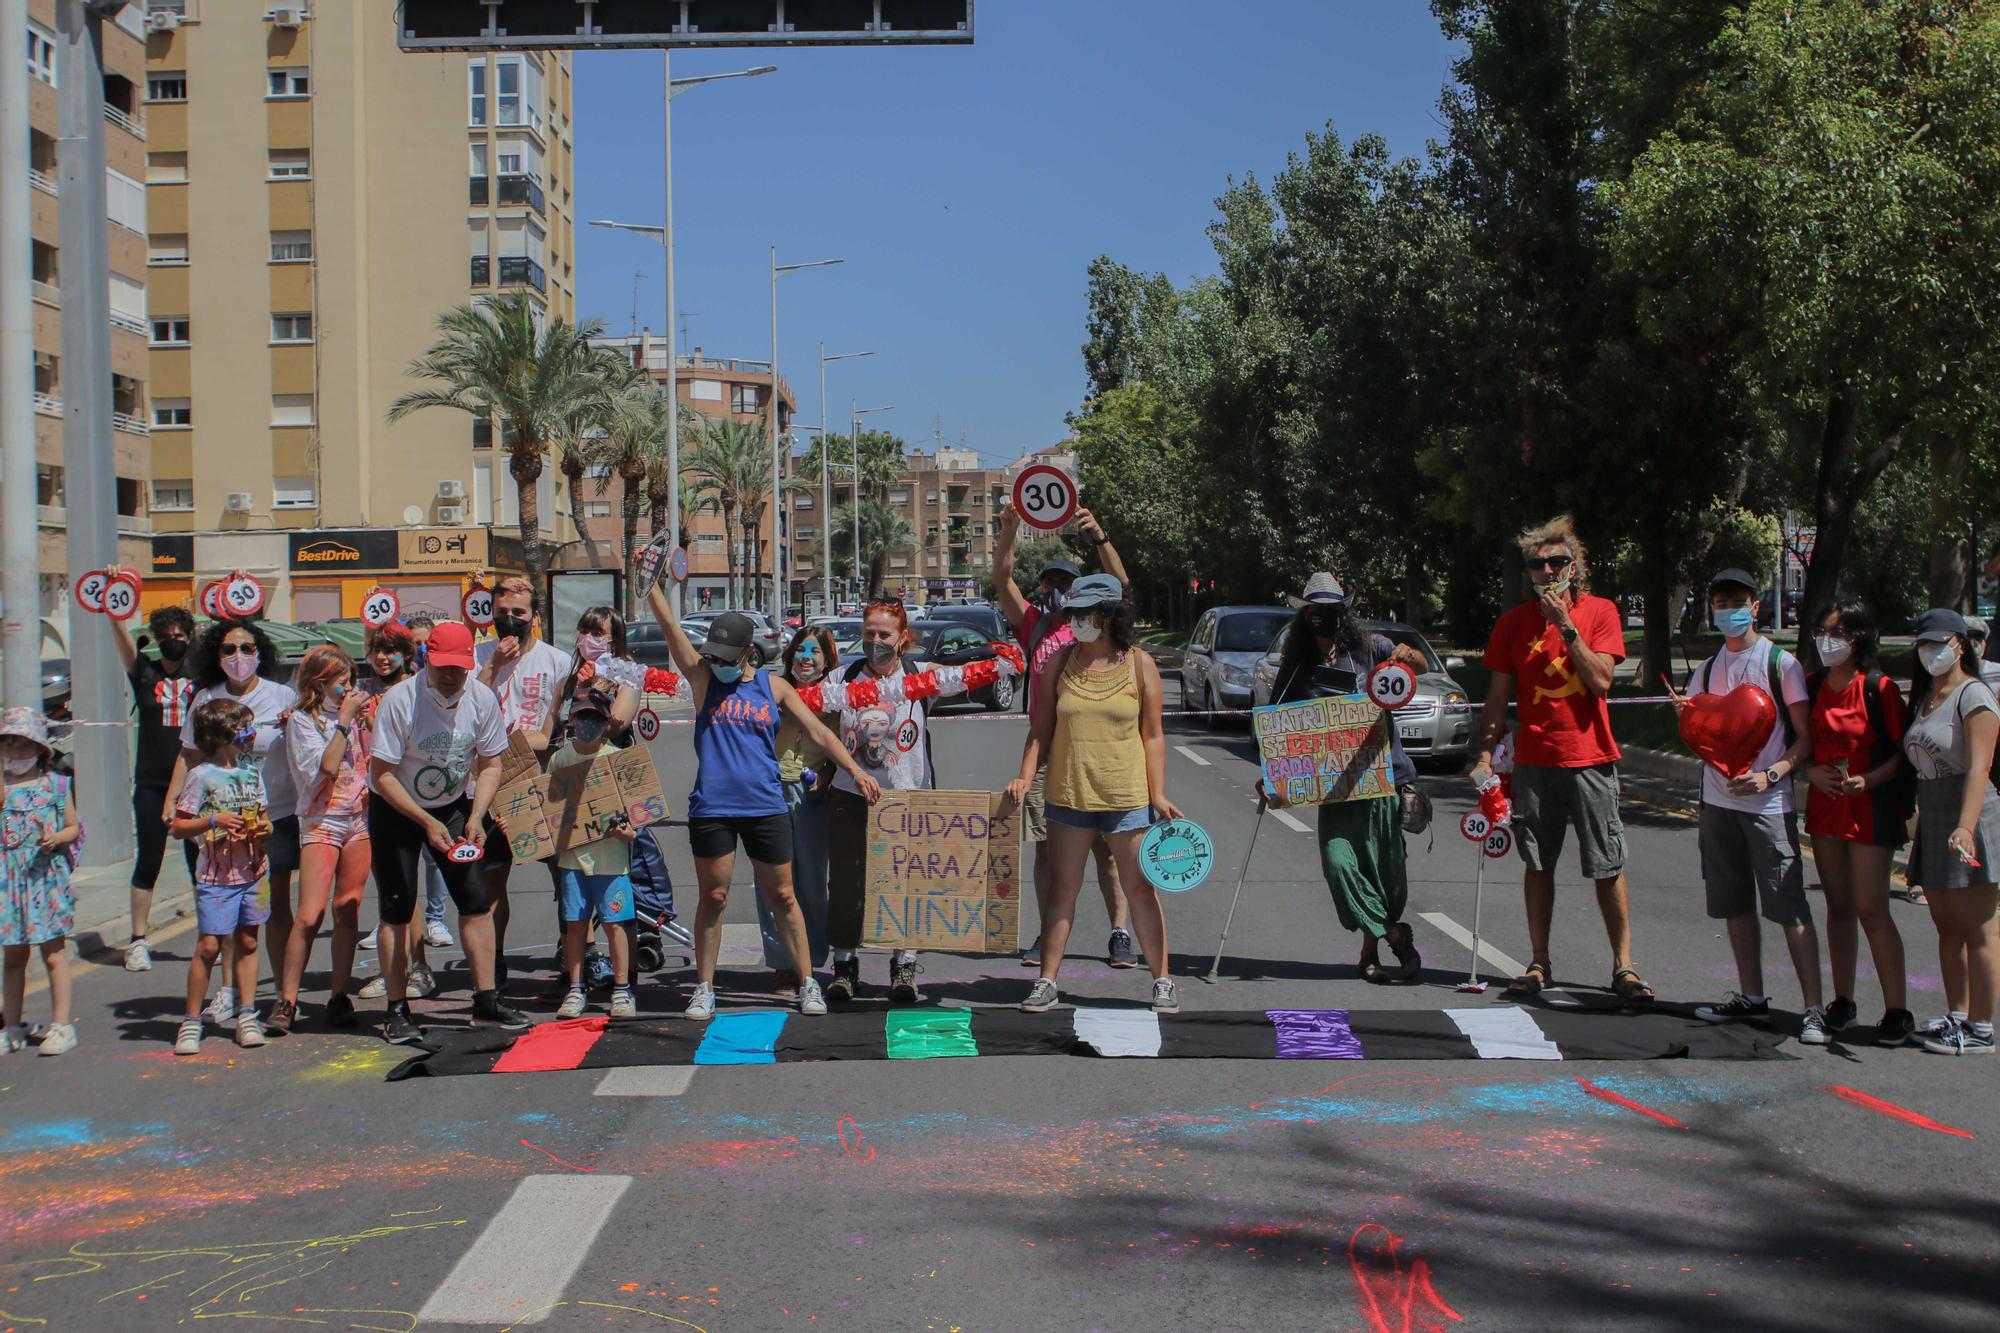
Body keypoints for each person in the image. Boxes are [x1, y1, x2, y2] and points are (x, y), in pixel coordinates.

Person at [645, 582, 879, 1019]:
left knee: (785, 897)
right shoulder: (702, 679)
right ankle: (704, 987)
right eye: (712, 655)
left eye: (725, 657)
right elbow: (671, 630)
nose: (717, 663)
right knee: (713, 897)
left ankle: (809, 982)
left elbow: (821, 733)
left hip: (766, 806)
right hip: (713, 808)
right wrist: (653, 585)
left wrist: (855, 770)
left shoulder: (773, 689)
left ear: (747, 653)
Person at [1469, 516, 1653, 1004]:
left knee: (1607, 864)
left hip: (1591, 759)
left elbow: (1601, 681)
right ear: (1528, 572)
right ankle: (1539, 960)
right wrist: (1485, 754)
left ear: (1575, 566)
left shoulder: (1600, 613)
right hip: (1535, 761)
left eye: (1557, 562)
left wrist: (1566, 627)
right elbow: (1497, 698)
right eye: (1538, 564)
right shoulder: (1512, 625)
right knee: (1537, 862)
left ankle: (1624, 967)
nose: (1548, 571)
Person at [1004, 574, 1182, 1013]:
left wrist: (1157, 794)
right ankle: (1046, 981)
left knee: (1140, 889)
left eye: (1088, 613)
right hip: (1068, 798)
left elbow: (1154, 735)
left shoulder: (1140, 664)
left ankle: (1161, 980)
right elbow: (1040, 731)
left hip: (1127, 800)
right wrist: (1025, 778)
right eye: (1075, 613)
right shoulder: (1059, 664)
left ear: (1110, 616)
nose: (1078, 620)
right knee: (1062, 889)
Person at [1678, 570, 1826, 1042]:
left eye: (1737, 602)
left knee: (1788, 906)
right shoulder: (1706, 669)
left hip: (1768, 808)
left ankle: (1813, 1009)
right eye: (1720, 602)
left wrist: (1771, 774)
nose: (1728, 611)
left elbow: (1804, 740)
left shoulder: (1780, 664)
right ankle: (1752, 999)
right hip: (1717, 804)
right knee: (1734, 903)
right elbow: (1703, 736)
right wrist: (1685, 718)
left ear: (1756, 606)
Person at [1261, 574, 1427, 983]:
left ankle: (1369, 958)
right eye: (1315, 611)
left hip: (1381, 781)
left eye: (1331, 612)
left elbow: (1417, 664)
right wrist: (1270, 777)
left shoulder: (1372, 649)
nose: (1323, 619)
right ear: (1304, 615)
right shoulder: (1297, 665)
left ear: (1343, 614)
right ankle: (1393, 935)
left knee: (1383, 873)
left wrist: (1409, 656)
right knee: (1340, 864)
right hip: (1332, 790)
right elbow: (1278, 726)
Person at [366, 620, 526, 1044]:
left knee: (475, 900)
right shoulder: (400, 700)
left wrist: (477, 815)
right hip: (397, 806)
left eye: (459, 668)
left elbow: (491, 763)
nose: (451, 676)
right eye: (443, 668)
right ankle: (397, 1009)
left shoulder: (481, 699)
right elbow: (381, 774)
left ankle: (487, 1000)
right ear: (427, 662)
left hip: (453, 804)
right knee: (397, 909)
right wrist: (424, 821)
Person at [992, 500, 1136, 969]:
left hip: (1098, 749)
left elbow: (1124, 588)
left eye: (1066, 585)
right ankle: (1045, 932)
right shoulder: (1034, 627)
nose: (1057, 592)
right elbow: (1002, 579)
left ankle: (1119, 932)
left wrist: (1099, 536)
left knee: (1108, 854)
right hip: (1047, 750)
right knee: (1046, 853)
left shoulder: (1096, 629)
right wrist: (1010, 532)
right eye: (1051, 584)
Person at [167, 619, 298, 1025]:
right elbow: (188, 754)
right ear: (216, 655)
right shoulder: (207, 698)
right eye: (228, 649)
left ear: (260, 651)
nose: (238, 656)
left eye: (246, 647)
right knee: (229, 911)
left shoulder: (282, 695)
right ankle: (228, 992)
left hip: (275, 812)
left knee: (273, 906)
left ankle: (279, 993)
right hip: (223, 824)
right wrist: (173, 801)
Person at [1801, 599, 1913, 1044]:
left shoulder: (1878, 688)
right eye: (1822, 632)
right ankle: (1842, 1001)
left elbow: (1901, 753)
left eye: (1837, 634)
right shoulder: (1811, 685)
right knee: (1838, 906)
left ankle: (1897, 1010)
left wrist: (1869, 781)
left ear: (1859, 638)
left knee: (1871, 907)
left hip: (1868, 809)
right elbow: (1798, 742)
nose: (1828, 642)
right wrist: (1808, 769)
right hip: (1825, 806)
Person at [824, 600, 936, 1005]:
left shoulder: (920, 677)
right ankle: (844, 966)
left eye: (884, 634)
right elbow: (818, 722)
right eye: (868, 633)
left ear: (902, 638)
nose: (875, 642)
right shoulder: (842, 677)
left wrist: (1002, 664)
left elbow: (964, 678)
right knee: (848, 884)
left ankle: (903, 965)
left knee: (904, 884)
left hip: (906, 799)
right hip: (850, 794)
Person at [1901, 609, 2000, 1056]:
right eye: (1923, 643)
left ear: (1960, 644)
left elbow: (1980, 766)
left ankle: (1981, 1028)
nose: (1930, 651)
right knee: (1946, 925)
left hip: (1970, 815)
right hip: (1935, 812)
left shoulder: (1974, 695)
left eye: (1938, 642)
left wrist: (1965, 826)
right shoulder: (1926, 696)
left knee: (1979, 927)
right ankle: (1957, 1015)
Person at [473, 575, 572, 992]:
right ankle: (493, 963)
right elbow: (465, 712)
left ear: (534, 616)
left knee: (564, 876)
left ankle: (572, 953)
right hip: (488, 785)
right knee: (492, 880)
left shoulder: (557, 660)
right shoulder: (476, 655)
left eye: (519, 613)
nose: (510, 620)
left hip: (543, 779)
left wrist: (519, 741)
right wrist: (493, 665)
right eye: (502, 614)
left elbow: (554, 731)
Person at [269, 647, 371, 1034]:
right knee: (310, 914)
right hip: (321, 821)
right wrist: (344, 723)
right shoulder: (301, 720)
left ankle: (338, 994)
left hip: (358, 820)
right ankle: (287, 999)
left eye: (349, 676)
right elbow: (326, 767)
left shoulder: (357, 716)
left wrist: (367, 721)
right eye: (339, 678)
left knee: (348, 907)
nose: (348, 685)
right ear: (319, 682)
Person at [102, 586, 198, 973]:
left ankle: (212, 934)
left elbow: (233, 634)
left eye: (180, 635)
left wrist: (236, 589)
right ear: (157, 639)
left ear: (189, 637)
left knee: (200, 861)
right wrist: (113, 601)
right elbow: (122, 637)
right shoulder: (145, 671)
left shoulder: (201, 674)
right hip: (151, 784)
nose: (173, 641)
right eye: (166, 636)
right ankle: (138, 940)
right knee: (149, 861)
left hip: (194, 784)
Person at [168, 698, 272, 1054]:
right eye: (245, 728)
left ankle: (246, 1013)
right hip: (216, 877)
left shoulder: (252, 774)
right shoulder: (200, 776)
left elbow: (262, 817)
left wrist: (260, 829)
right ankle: (191, 1020)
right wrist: (213, 821)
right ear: (225, 734)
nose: (251, 734)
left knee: (247, 941)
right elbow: (179, 826)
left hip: (254, 872)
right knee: (209, 946)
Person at [355, 623, 449, 996]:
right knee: (392, 892)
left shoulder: (416, 692)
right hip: (372, 799)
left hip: (414, 797)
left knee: (413, 887)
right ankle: (394, 969)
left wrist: (372, 720)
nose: (382, 658)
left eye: (390, 650)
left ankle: (420, 966)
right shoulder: (362, 692)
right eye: (377, 650)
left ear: (408, 655)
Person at [549, 686, 640, 1020]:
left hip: (610, 859)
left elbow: (638, 814)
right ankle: (576, 988)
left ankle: (622, 989)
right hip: (572, 858)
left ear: (606, 723)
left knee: (616, 923)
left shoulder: (616, 758)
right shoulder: (561, 758)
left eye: (596, 718)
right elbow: (546, 809)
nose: (588, 724)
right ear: (572, 719)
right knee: (575, 924)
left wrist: (628, 832)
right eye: (582, 716)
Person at [758, 626, 837, 997]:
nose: (806, 658)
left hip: (811, 797)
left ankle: (811, 958)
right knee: (771, 883)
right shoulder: (771, 691)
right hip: (769, 792)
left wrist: (826, 776)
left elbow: (843, 744)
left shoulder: (837, 696)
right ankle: (781, 964)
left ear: (827, 659)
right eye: (800, 651)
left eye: (814, 652)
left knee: (810, 883)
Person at [1, 707, 82, 1056]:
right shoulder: (2, 787)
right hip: (10, 883)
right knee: (14, 957)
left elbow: (73, 826)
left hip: (45, 880)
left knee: (54, 954)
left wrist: (58, 838)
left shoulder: (57, 785)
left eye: (23, 745)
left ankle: (61, 1025)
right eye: (9, 745)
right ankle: (12, 1025)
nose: (16, 752)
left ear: (40, 749)